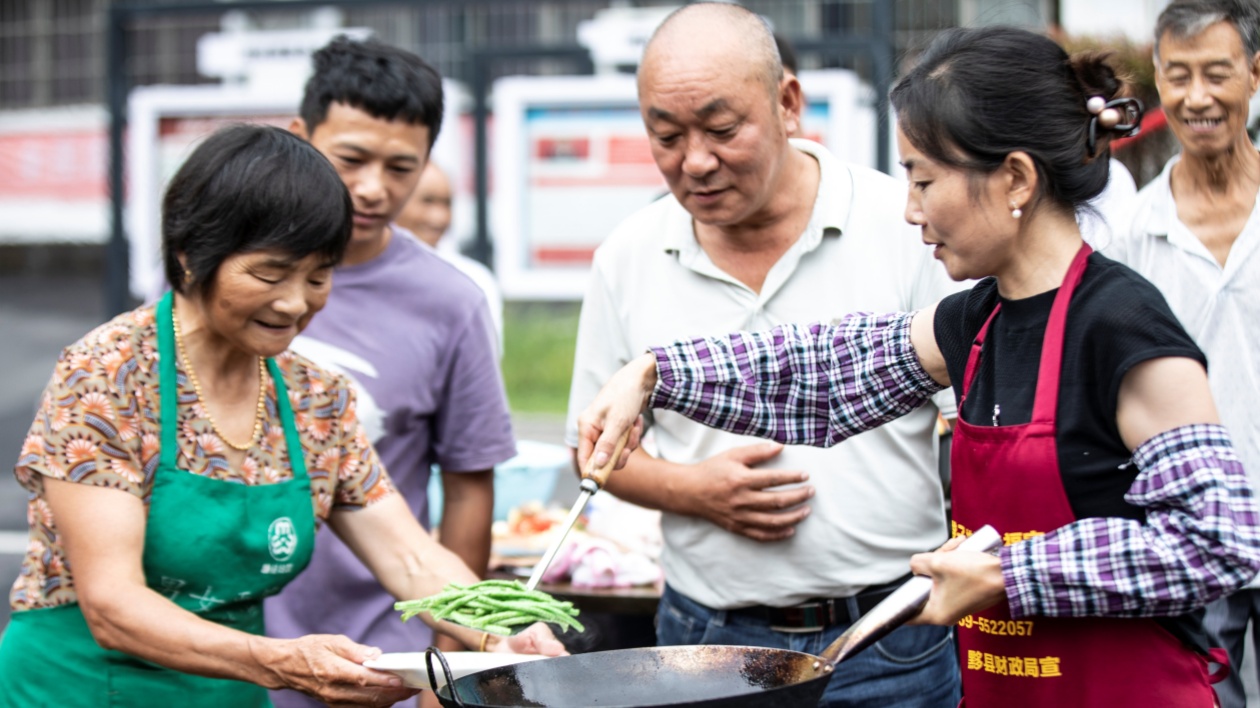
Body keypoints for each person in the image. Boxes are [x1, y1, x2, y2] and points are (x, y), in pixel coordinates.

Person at [577, 25, 1260, 708]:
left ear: (1016, 178)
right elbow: (824, 375)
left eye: (925, 180)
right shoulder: (974, 322)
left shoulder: (1122, 325)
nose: (909, 211)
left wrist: (1009, 573)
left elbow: (1218, 540)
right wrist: (657, 373)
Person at [0, 124, 562, 708]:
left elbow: (410, 555)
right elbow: (112, 605)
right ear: (191, 255)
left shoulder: (315, 397)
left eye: (318, 277)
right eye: (270, 274)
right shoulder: (106, 376)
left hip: (228, 691)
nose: (296, 303)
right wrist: (279, 661)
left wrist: (501, 633)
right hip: (81, 687)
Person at [563, 5, 964, 706]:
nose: (695, 161)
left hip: (892, 634)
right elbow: (594, 449)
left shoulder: (904, 223)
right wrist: (694, 492)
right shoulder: (628, 256)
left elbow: (976, 422)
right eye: (666, 135)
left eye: (722, 130)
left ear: (788, 103)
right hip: (705, 640)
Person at [263, 37, 517, 708]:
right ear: (300, 137)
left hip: (383, 654)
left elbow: (468, 485)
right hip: (232, 648)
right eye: (351, 159)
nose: (374, 188)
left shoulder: (451, 302)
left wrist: (451, 662)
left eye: (401, 167)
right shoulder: (227, 279)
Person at [1104, 2, 1260, 705]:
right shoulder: (1133, 234)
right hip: (1192, 540)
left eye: (1217, 74)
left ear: (1254, 75)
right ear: (1158, 80)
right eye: (1179, 75)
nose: (1198, 98)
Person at [395, 160, 505, 355]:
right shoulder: (365, 270)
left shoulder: (473, 278)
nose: (439, 217)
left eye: (447, 203)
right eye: (427, 201)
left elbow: (485, 359)